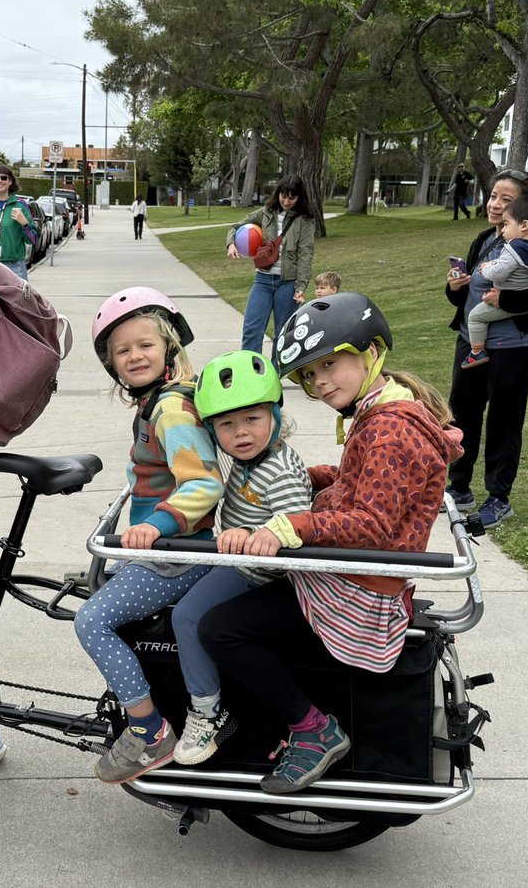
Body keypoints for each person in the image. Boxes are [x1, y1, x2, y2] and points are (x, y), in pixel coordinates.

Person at [200, 292, 463, 794]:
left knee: (219, 628)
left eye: (329, 364)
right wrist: (306, 474)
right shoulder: (382, 411)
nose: (320, 382)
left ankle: (314, 731)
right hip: (343, 573)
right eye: (309, 374)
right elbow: (358, 481)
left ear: (369, 352)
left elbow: (371, 523)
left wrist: (292, 526)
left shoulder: (390, 429)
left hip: (356, 589)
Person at [74, 287, 224, 784]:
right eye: (122, 350)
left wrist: (153, 525)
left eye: (145, 345)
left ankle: (148, 729)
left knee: (91, 621)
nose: (134, 355)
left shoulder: (171, 411)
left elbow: (203, 482)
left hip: (177, 555)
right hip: (165, 550)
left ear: (169, 350)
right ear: (111, 364)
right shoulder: (153, 405)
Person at [169, 350, 313, 766]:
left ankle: (207, 711)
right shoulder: (254, 459)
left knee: (188, 616)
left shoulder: (279, 469)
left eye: (252, 419)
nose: (241, 433)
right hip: (240, 561)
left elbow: (291, 528)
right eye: (226, 424)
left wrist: (250, 535)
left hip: (259, 572)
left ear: (275, 415)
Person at [444, 168, 528, 529]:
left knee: (504, 419)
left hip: (514, 346)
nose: (495, 204)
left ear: (525, 211)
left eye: (506, 200)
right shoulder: (486, 237)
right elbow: (468, 294)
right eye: (493, 195)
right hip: (472, 340)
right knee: (462, 414)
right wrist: (455, 288)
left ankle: (498, 499)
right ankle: (459, 488)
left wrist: (509, 300)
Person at [226, 175, 315, 362]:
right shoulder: (266, 212)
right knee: (252, 329)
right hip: (263, 280)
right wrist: (231, 244)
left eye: (292, 198)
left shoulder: (305, 221)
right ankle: (250, 373)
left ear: (299, 198)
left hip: (287, 283)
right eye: (283, 196)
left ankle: (274, 377)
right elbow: (236, 226)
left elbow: (305, 256)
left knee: (282, 334)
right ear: (278, 194)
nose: (286, 201)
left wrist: (301, 287)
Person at [461, 194, 528, 369]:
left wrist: (486, 269)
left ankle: (476, 352)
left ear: (524, 225)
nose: (503, 230)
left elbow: (499, 273)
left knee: (475, 317)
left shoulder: (514, 249)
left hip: (507, 303)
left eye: (506, 224)